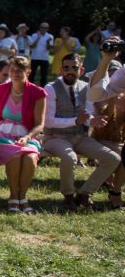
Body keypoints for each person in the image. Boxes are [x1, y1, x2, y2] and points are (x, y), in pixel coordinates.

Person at [41, 54, 120, 210]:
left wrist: (93, 121)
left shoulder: (86, 87)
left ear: (81, 70)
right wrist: (76, 121)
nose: (70, 71)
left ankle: (84, 194)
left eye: (74, 68)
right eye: (66, 68)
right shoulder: (50, 88)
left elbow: (87, 114)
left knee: (113, 158)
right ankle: (68, 196)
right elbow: (48, 121)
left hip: (80, 137)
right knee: (69, 157)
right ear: (61, 70)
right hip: (55, 137)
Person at [0, 56, 45, 214]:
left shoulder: (38, 93)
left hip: (27, 133)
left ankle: (23, 197)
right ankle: (14, 197)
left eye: (20, 70)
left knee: (29, 157)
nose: (15, 73)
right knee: (15, 154)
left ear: (28, 72)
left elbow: (39, 124)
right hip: (2, 133)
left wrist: (28, 137)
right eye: (12, 70)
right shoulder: (0, 89)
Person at [90, 60, 125, 208]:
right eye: (109, 73)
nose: (111, 77)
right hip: (100, 136)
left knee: (120, 155)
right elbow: (105, 118)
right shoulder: (102, 93)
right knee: (117, 156)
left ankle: (114, 189)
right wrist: (112, 100)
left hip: (118, 138)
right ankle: (113, 189)